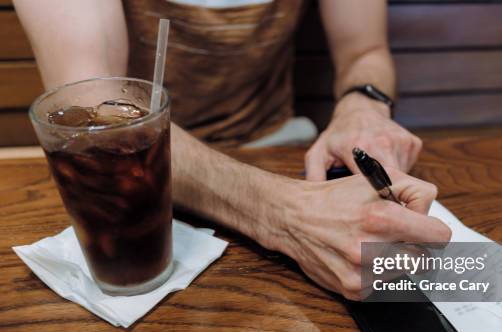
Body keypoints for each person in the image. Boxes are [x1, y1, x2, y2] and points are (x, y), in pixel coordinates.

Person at [15, 0, 451, 300]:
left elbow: (366, 50)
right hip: (143, 191)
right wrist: (286, 214)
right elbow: (92, 109)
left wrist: (364, 104)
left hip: (285, 155)